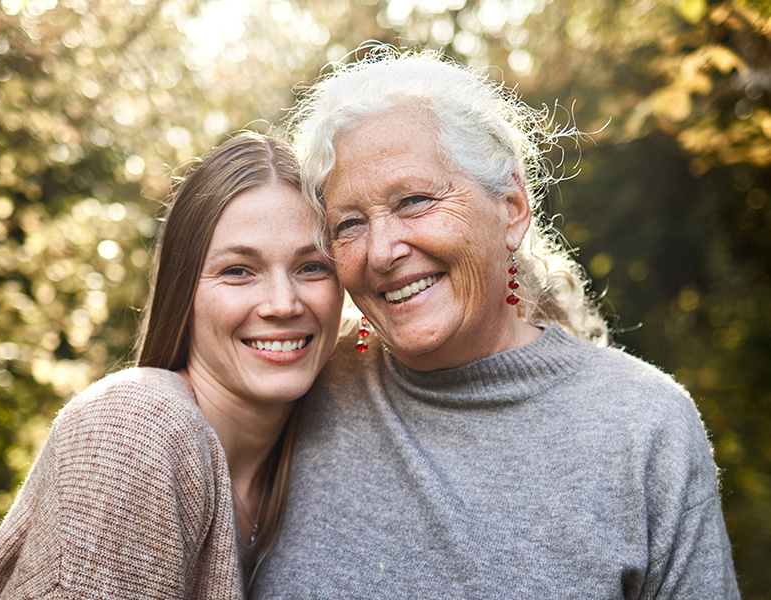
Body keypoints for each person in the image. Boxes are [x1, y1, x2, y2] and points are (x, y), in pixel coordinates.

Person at [250, 49, 740, 598]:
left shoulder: (644, 427)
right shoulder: (293, 389)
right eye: (349, 224)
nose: (382, 251)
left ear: (510, 208)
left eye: (413, 201)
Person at [0, 133, 344, 600]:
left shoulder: (311, 455)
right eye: (238, 271)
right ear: (182, 291)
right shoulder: (133, 429)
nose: (283, 304)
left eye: (312, 267)